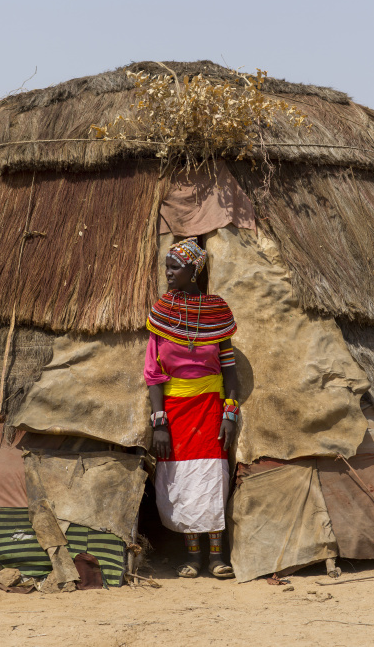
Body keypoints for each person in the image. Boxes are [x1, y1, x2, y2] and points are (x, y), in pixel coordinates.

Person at [144, 237, 239, 578]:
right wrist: (159, 422)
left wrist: (230, 414)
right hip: (174, 411)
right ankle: (192, 557)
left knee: (213, 479)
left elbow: (229, 370)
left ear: (192, 271)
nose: (167, 273)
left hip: (210, 408)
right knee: (180, 482)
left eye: (174, 267)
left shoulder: (217, 313)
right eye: (167, 267)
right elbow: (154, 375)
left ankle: (216, 557)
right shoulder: (161, 314)